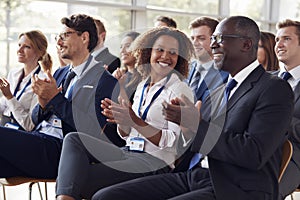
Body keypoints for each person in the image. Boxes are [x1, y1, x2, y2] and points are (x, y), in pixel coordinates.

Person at [92, 16, 294, 200]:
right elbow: (194, 140)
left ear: (246, 44)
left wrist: (195, 124)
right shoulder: (217, 92)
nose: (212, 46)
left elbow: (253, 153)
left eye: (219, 39)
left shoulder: (273, 88)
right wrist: (185, 127)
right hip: (193, 175)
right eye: (212, 39)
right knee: (106, 196)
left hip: (235, 187)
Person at [55, 27, 195, 200]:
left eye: (173, 53)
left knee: (74, 180)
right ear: (148, 52)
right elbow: (126, 135)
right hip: (129, 151)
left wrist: (135, 121)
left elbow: (174, 143)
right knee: (74, 140)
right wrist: (122, 120)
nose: (166, 56)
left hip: (155, 162)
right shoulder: (144, 86)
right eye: (159, 50)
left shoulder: (179, 89)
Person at [0, 14, 118, 180]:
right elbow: (34, 120)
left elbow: (91, 130)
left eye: (65, 36)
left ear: (84, 38)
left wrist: (55, 98)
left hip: (63, 151)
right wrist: (42, 104)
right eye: (58, 37)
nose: (58, 42)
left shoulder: (105, 81)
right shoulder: (61, 73)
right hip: (38, 139)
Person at [0, 30, 51, 131]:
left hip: (21, 133)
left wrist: (9, 96)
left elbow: (29, 125)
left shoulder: (42, 81)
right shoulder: (13, 74)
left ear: (40, 52)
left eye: (27, 47)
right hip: (4, 125)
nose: (20, 50)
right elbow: (3, 106)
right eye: (19, 45)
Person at [274, 19, 300, 200]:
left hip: (294, 155)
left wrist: (277, 118)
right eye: (277, 40)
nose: (279, 44)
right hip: (255, 151)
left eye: (286, 39)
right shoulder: (265, 80)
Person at [187, 16, 228, 102]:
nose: (194, 43)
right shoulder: (187, 68)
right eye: (192, 38)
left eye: (201, 38)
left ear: (215, 40)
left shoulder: (226, 74)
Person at [112, 31, 141, 103]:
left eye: (128, 46)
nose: (122, 51)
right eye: (121, 47)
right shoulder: (120, 74)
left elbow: (129, 110)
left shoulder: (144, 78)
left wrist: (120, 86)